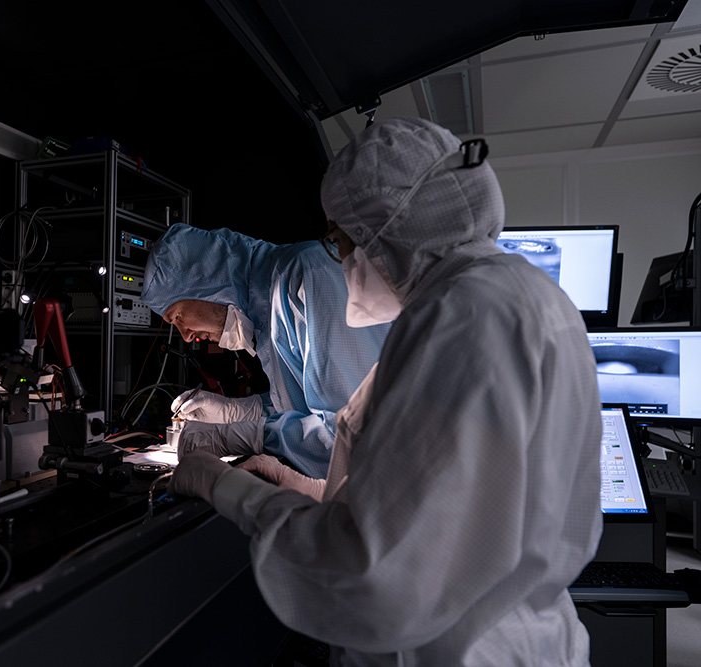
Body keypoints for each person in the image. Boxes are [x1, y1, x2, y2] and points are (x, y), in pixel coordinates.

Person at [169, 117, 603, 666]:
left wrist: (228, 489)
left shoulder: (462, 317)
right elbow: (455, 508)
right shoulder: (520, 295)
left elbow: (374, 579)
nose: (342, 258)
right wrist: (307, 488)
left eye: (341, 238)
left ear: (390, 224)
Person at [140, 223, 390, 478]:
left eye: (178, 316)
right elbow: (302, 409)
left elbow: (347, 435)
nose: (186, 335)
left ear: (202, 283)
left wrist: (245, 436)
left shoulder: (302, 275)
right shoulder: (267, 309)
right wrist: (242, 412)